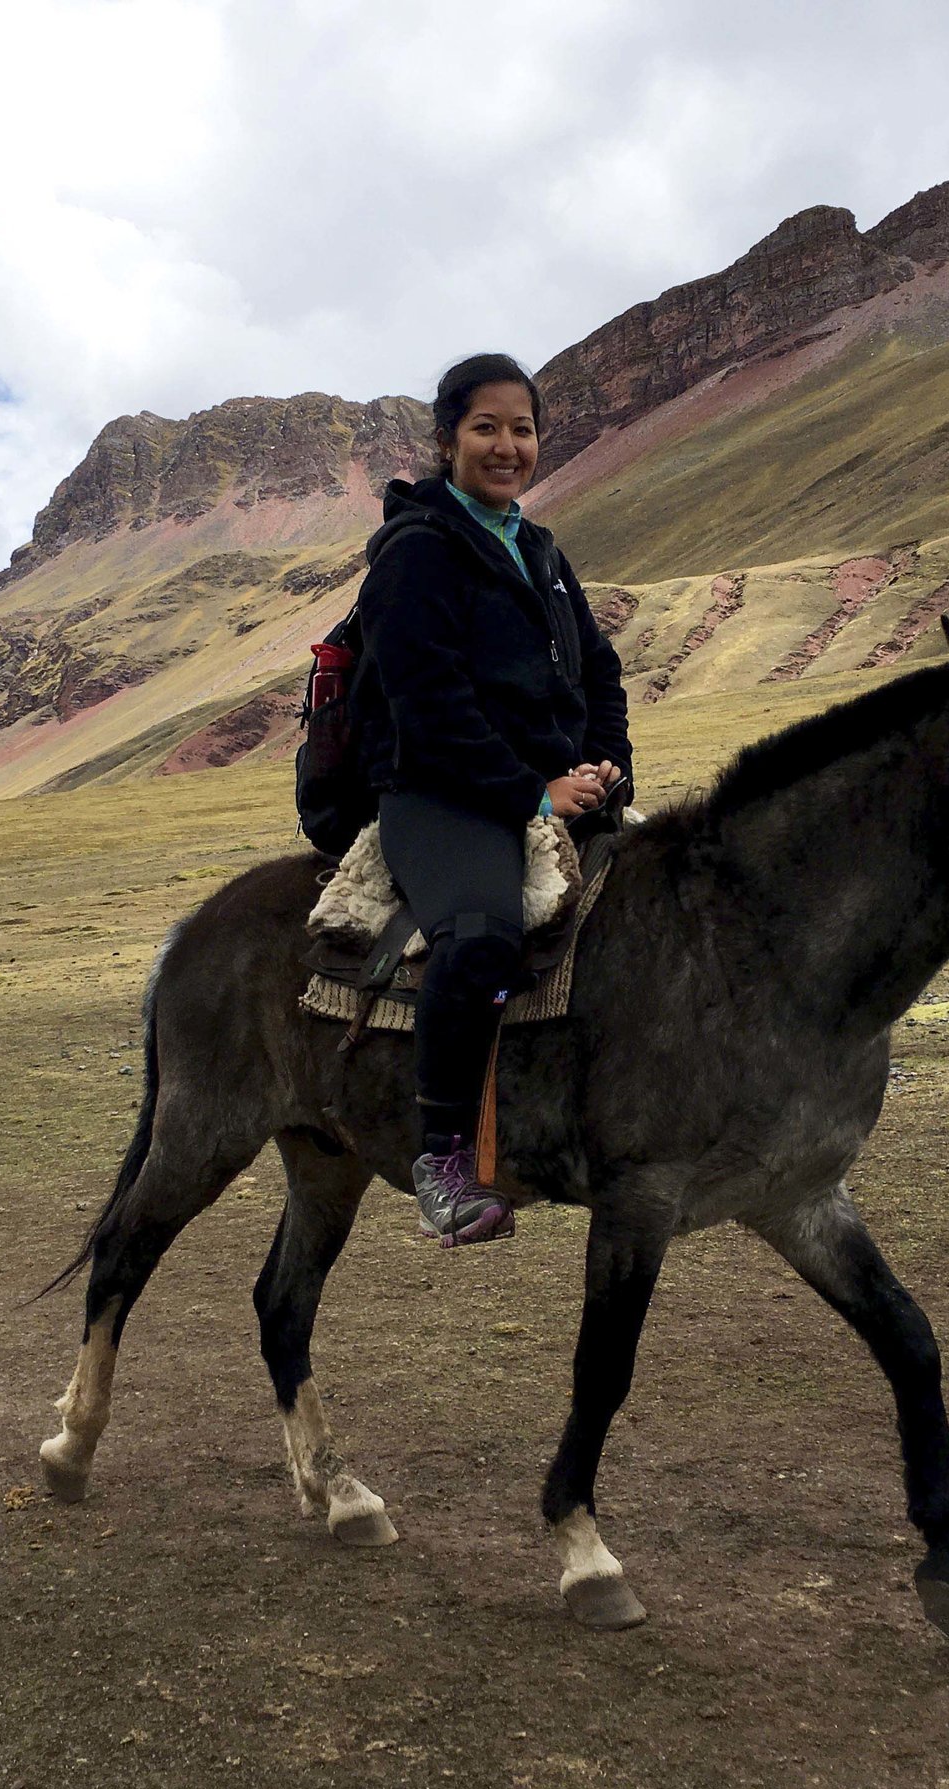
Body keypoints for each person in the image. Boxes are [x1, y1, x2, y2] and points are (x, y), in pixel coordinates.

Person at [353, 352, 633, 1246]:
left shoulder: (540, 550)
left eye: (522, 429)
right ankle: (439, 1157)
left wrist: (605, 765)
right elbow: (427, 705)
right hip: (441, 794)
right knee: (480, 934)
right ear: (446, 441)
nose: (507, 446)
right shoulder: (417, 552)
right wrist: (532, 793)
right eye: (486, 428)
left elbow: (597, 670)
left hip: (549, 790)